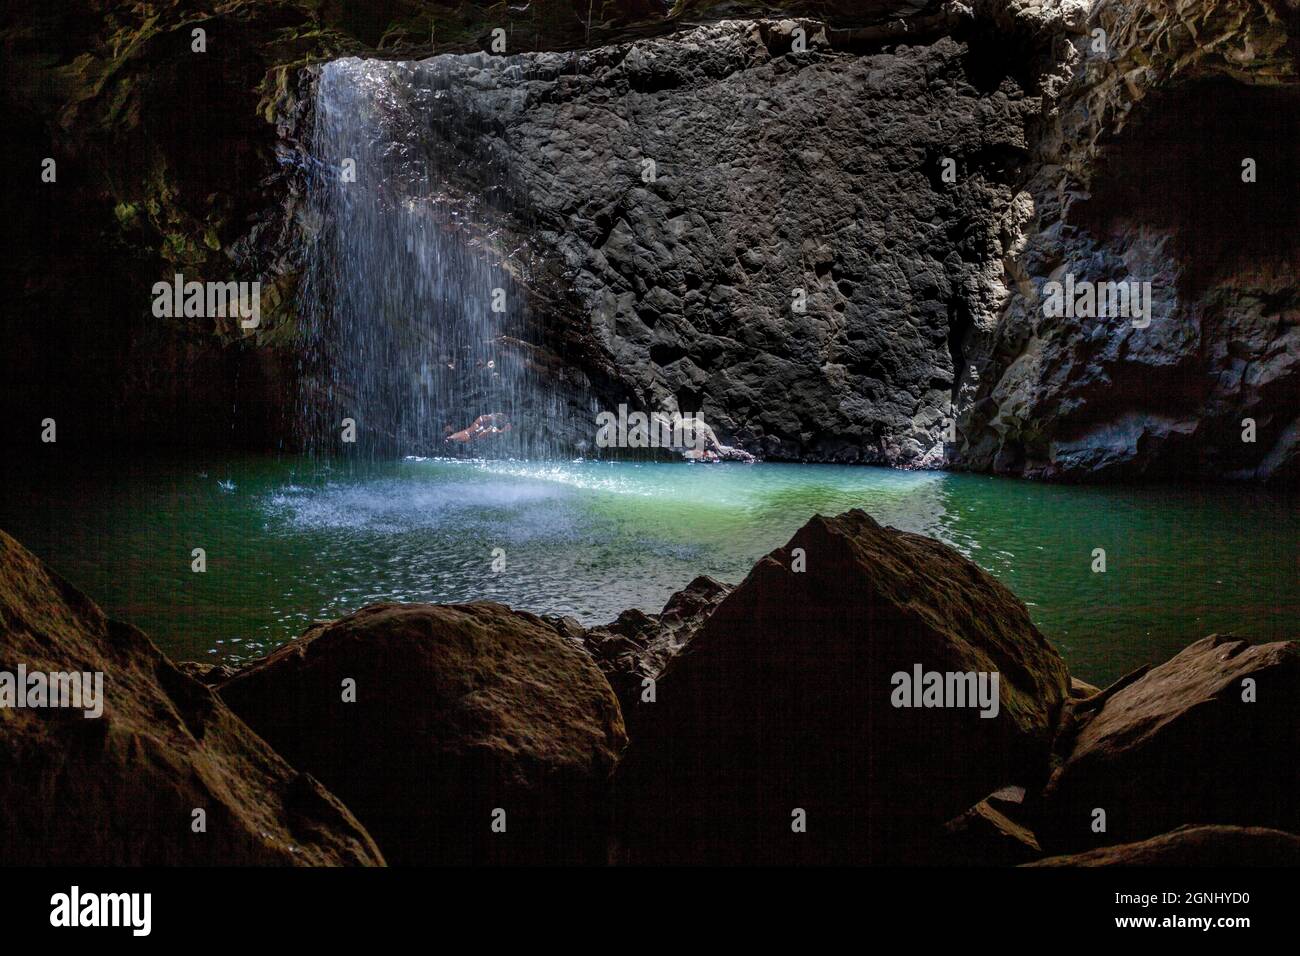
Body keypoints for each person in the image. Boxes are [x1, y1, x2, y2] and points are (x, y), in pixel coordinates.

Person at [444, 413, 511, 444]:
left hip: (468, 438)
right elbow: (473, 434)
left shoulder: (491, 427)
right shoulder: (483, 419)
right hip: (468, 437)